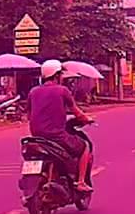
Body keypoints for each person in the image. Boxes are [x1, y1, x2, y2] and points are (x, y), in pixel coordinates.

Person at [29, 60, 94, 192]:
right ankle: (80, 182)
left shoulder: (33, 92)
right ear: (57, 75)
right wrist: (87, 119)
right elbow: (77, 113)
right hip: (57, 136)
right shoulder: (62, 90)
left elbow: (29, 115)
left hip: (36, 137)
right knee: (85, 147)